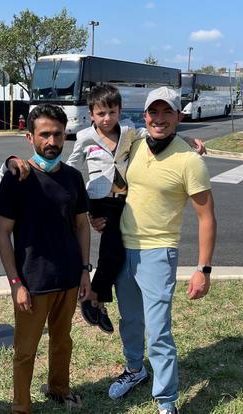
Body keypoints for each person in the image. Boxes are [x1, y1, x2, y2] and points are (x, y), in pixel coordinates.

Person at [100, 86, 217, 414]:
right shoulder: (134, 142)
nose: (160, 119)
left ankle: (166, 401)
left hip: (159, 252)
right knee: (131, 320)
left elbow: (207, 217)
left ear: (180, 116)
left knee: (159, 331)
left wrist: (203, 269)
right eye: (154, 111)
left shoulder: (189, 161)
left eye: (168, 112)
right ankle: (135, 369)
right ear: (145, 114)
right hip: (124, 247)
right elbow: (96, 131)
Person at [66, 84, 206, 335]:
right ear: (91, 114)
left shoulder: (129, 132)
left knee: (115, 252)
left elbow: (159, 133)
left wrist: (187, 140)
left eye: (112, 112)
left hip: (121, 199)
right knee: (112, 248)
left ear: (119, 111)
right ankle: (94, 297)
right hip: (98, 199)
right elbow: (72, 166)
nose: (106, 118)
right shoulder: (85, 136)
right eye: (101, 114)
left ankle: (97, 300)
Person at [0, 103, 93, 414]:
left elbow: (81, 225)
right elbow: (2, 234)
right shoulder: (17, 178)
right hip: (32, 284)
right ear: (30, 137)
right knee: (25, 351)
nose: (52, 142)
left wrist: (84, 271)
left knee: (62, 342)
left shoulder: (74, 178)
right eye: (45, 135)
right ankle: (21, 406)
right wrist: (15, 283)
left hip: (67, 278)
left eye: (58, 135)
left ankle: (58, 388)